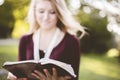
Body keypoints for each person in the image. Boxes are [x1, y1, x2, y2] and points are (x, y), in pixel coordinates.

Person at [7, 0, 86, 80]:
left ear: (59, 13)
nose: (46, 17)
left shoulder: (71, 42)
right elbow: (20, 73)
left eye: (52, 12)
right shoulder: (25, 40)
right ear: (34, 12)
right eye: (41, 11)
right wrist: (14, 76)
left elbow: (74, 77)